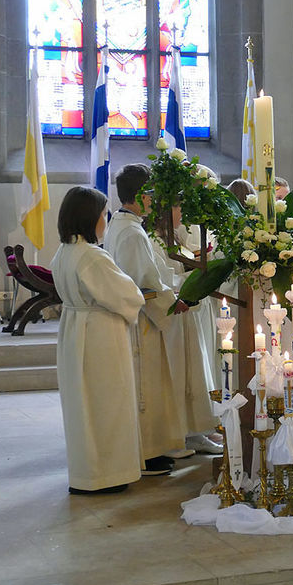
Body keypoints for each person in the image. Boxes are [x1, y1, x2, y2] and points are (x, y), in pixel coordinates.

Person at [50, 187, 145, 494]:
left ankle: (86, 474)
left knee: (82, 406)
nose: (105, 220)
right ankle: (108, 475)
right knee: (107, 404)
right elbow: (127, 295)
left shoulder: (64, 251)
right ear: (89, 217)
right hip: (100, 334)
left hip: (75, 329)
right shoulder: (92, 256)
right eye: (103, 214)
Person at [103, 163, 188, 476]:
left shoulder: (122, 225)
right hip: (143, 320)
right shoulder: (133, 233)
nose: (157, 201)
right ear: (140, 196)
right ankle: (148, 453)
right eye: (152, 194)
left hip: (140, 317)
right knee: (147, 388)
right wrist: (173, 301)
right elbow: (144, 280)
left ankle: (153, 448)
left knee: (151, 387)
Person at [153, 203, 222, 454]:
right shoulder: (154, 242)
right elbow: (163, 279)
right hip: (174, 312)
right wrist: (198, 275)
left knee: (195, 373)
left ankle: (197, 431)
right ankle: (184, 434)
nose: (181, 212)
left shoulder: (172, 238)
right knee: (183, 377)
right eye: (177, 207)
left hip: (189, 311)